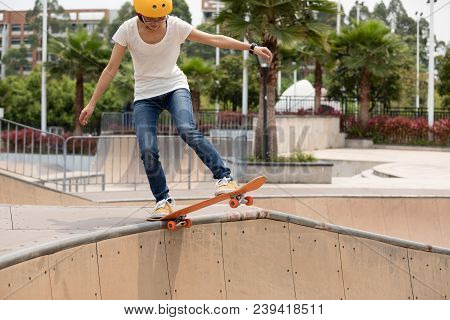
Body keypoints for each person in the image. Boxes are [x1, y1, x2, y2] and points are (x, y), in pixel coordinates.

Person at [79, 0, 272, 218]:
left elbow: (214, 39)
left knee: (186, 128)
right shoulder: (127, 29)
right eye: (150, 20)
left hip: (174, 87)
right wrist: (92, 103)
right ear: (140, 15)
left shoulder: (176, 25)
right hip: (144, 96)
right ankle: (163, 200)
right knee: (147, 149)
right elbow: (111, 69)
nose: (155, 24)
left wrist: (252, 47)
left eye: (160, 19)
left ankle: (224, 178)